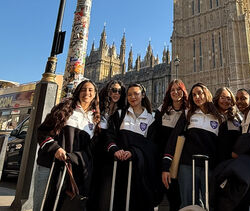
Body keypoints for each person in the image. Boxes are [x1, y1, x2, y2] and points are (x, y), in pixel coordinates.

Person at [35, 80, 100, 211]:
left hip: (72, 170)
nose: (86, 93)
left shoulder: (95, 119)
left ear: (95, 94)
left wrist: (75, 158)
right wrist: (56, 148)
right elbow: (42, 132)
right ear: (78, 92)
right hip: (50, 164)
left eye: (90, 90)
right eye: (83, 89)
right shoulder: (65, 108)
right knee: (42, 204)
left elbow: (90, 149)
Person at [162, 82, 223, 208]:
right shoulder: (188, 114)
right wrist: (166, 166)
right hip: (188, 166)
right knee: (188, 204)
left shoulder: (218, 117)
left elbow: (222, 146)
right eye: (194, 95)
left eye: (199, 93)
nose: (197, 97)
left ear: (206, 93)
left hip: (209, 167)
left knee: (209, 203)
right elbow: (173, 140)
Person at [106, 83, 159, 211]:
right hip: (119, 166)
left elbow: (152, 145)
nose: (132, 97)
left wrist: (134, 152)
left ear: (143, 95)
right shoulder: (120, 115)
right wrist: (115, 149)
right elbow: (109, 135)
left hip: (140, 169)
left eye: (136, 93)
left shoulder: (151, 119)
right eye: (129, 94)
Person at [88, 80, 126, 211]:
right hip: (94, 151)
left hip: (110, 153)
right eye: (114, 90)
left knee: (107, 188)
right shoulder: (99, 109)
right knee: (92, 184)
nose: (116, 93)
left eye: (119, 91)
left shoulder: (122, 112)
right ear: (107, 91)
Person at [154, 79, 188, 211]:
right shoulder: (161, 111)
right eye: (172, 90)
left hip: (180, 161)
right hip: (162, 159)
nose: (175, 92)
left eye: (178, 89)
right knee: (157, 195)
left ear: (183, 91)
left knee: (176, 198)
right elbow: (154, 137)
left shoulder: (188, 113)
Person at [212, 87, 241, 164]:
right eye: (222, 98)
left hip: (235, 161)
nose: (225, 101)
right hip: (216, 162)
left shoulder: (237, 117)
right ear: (217, 99)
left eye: (228, 98)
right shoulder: (211, 116)